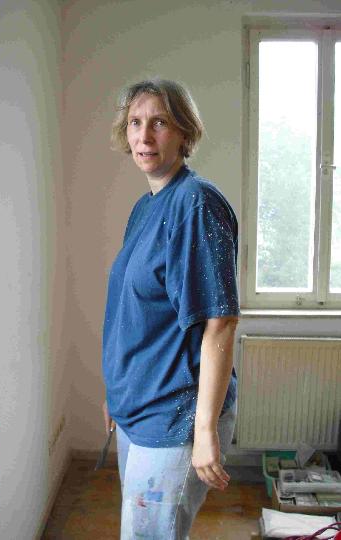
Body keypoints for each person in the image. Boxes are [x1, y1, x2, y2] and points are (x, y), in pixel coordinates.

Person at [101, 78, 240, 540]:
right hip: (137, 407)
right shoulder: (146, 207)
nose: (144, 136)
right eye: (135, 122)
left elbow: (220, 322)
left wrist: (205, 431)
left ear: (184, 132)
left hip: (174, 416)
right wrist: (116, 391)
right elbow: (135, 312)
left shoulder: (196, 203)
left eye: (159, 122)